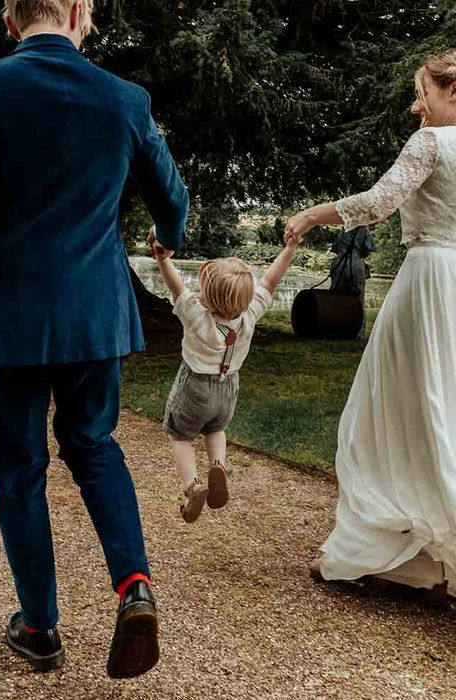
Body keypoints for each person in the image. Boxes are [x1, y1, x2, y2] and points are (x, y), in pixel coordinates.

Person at [0, 0, 190, 678]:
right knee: (93, 444)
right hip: (96, 313)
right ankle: (134, 585)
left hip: (5, 317)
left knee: (18, 471)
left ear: (10, 21)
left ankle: (40, 627)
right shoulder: (123, 98)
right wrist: (168, 238)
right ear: (80, 12)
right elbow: (173, 202)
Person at [284, 50, 456, 593]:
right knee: (443, 409)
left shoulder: (430, 143)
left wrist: (311, 214)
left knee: (385, 415)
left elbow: (380, 202)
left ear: (451, 92)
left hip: (429, 281)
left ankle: (379, 550)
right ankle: (429, 562)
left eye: (422, 93)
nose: (416, 106)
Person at [148, 229, 299, 521]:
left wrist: (163, 259)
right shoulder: (250, 315)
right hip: (228, 388)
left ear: (207, 296)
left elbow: (176, 286)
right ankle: (217, 464)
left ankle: (192, 486)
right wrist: (290, 248)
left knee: (179, 437)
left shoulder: (196, 315)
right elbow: (270, 280)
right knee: (215, 430)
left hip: (194, 387)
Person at [328, 227, 375, 339]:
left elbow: (336, 248)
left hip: (339, 263)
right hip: (355, 263)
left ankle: (335, 328)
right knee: (358, 298)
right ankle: (357, 333)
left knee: (336, 296)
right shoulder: (364, 231)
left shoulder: (344, 229)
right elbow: (367, 250)